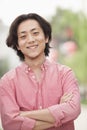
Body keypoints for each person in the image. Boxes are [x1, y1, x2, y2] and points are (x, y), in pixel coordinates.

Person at [0, 13, 81, 130]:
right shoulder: (7, 82)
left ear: (46, 37)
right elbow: (10, 124)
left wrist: (23, 115)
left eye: (35, 33)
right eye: (23, 36)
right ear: (17, 45)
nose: (31, 40)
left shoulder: (65, 74)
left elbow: (73, 109)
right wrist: (59, 113)